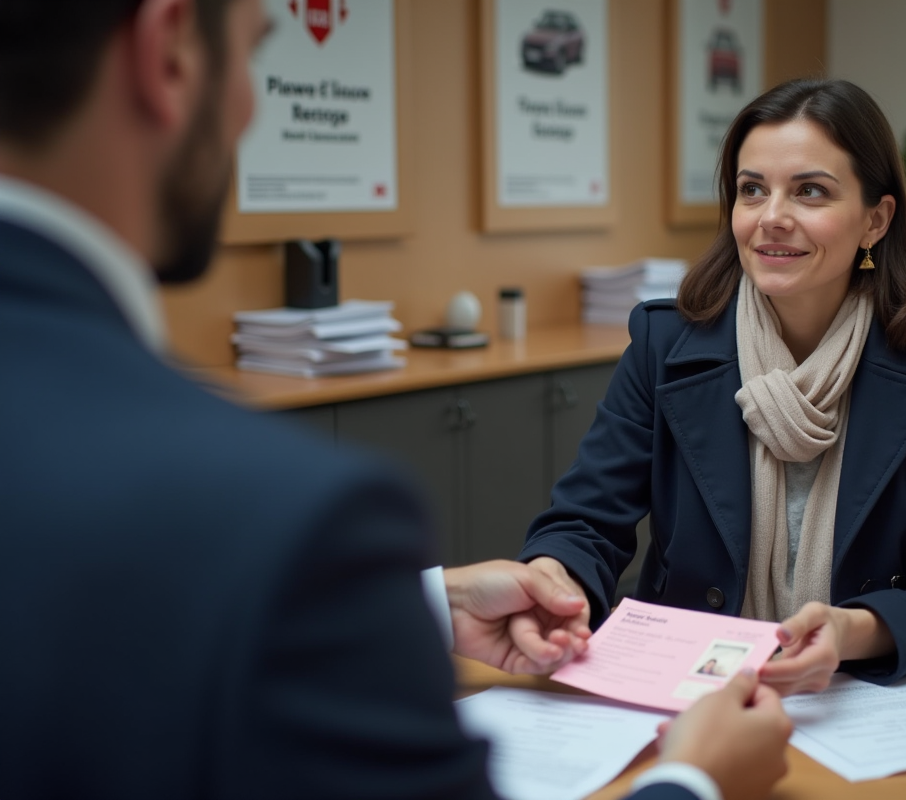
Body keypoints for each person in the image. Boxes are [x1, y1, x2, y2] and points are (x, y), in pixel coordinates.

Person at [0, 1, 793, 799]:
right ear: (169, 51)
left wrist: (424, 604)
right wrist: (698, 780)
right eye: (250, 56)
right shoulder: (282, 519)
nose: (249, 107)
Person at [519, 77, 906, 694]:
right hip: (689, 687)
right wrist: (551, 579)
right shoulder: (663, 344)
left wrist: (851, 632)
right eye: (752, 190)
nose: (772, 218)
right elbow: (585, 523)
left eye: (810, 191)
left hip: (859, 693)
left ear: (876, 221)